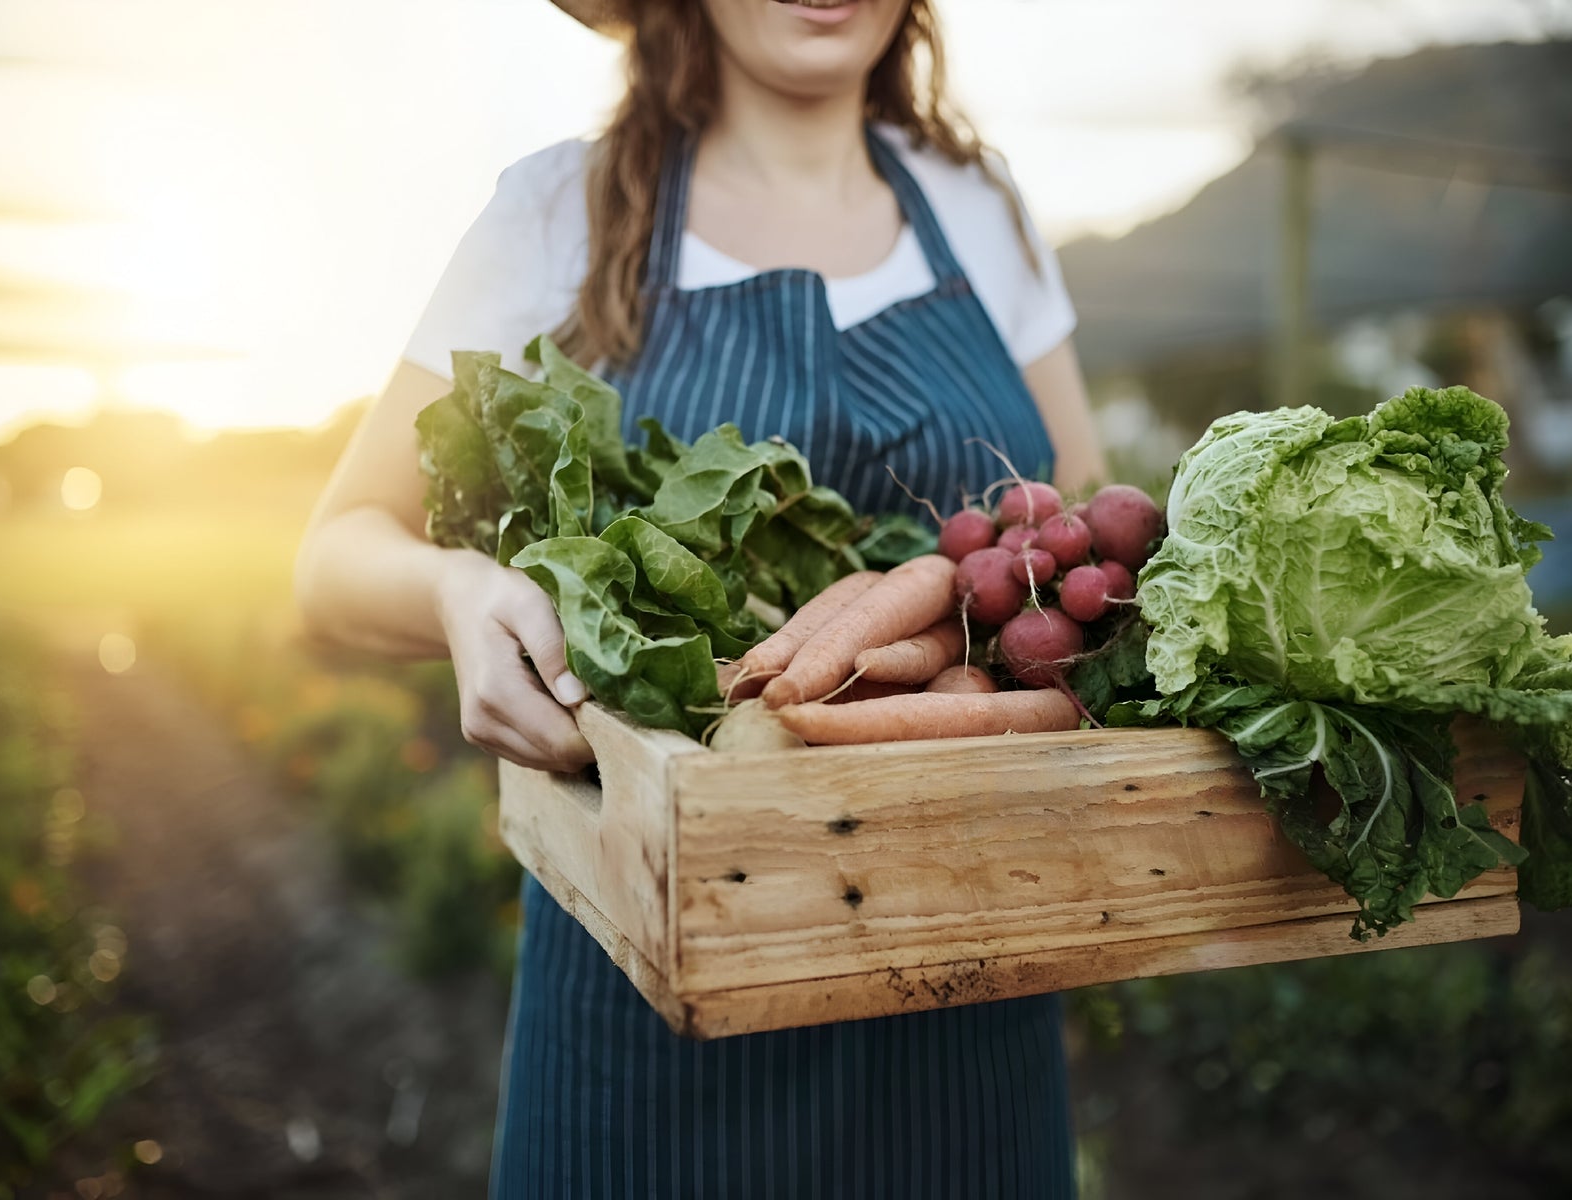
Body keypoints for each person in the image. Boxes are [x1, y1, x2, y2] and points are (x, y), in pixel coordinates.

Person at [296, 0, 1106, 1194]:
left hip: (967, 986)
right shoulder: (553, 215)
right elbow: (333, 556)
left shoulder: (977, 205)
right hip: (648, 1000)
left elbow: (1080, 528)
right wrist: (461, 593)